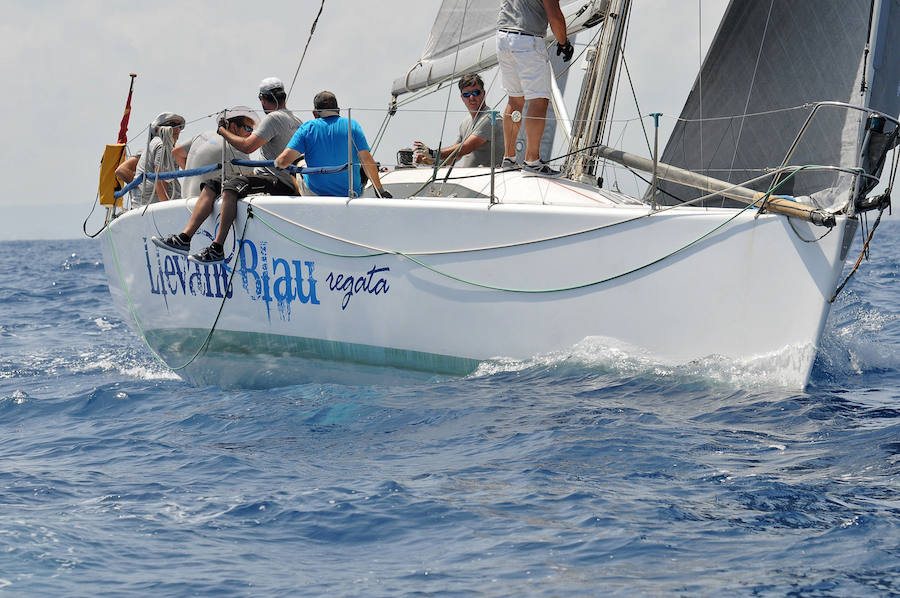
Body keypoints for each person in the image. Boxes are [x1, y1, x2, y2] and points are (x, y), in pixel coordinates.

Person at [152, 77, 301, 264]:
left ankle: (217, 248)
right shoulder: (297, 120)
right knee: (213, 183)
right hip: (279, 179)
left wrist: (223, 132)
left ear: (262, 98)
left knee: (231, 187)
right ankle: (184, 238)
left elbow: (248, 147)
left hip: (278, 182)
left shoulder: (273, 118)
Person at [496, 0, 573, 176]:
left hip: (502, 38)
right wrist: (563, 43)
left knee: (514, 99)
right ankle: (532, 162)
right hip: (527, 40)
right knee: (538, 101)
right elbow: (554, 16)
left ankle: (509, 159)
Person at [274, 90, 390, 199]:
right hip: (351, 193)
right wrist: (380, 191)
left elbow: (283, 161)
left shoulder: (307, 128)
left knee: (299, 161)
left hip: (316, 193)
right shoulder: (352, 125)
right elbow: (368, 161)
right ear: (338, 110)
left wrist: (277, 163)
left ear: (314, 113)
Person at [412, 73, 504, 168]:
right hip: (469, 178)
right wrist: (432, 162)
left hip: (489, 178)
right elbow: (456, 156)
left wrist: (433, 154)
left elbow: (466, 148)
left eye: (475, 93)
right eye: (466, 94)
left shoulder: (490, 118)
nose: (471, 97)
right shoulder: (466, 122)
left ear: (483, 93)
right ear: (462, 97)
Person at [171, 106, 259, 199]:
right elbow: (251, 176)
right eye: (248, 128)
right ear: (233, 126)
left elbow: (176, 152)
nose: (250, 134)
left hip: (185, 199)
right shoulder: (236, 147)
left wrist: (197, 173)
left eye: (252, 130)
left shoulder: (203, 135)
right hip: (207, 204)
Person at [132, 112, 185, 206]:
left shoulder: (155, 143)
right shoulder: (162, 145)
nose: (178, 129)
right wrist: (165, 206)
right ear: (159, 129)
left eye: (180, 126)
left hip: (144, 203)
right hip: (155, 204)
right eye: (173, 125)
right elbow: (160, 179)